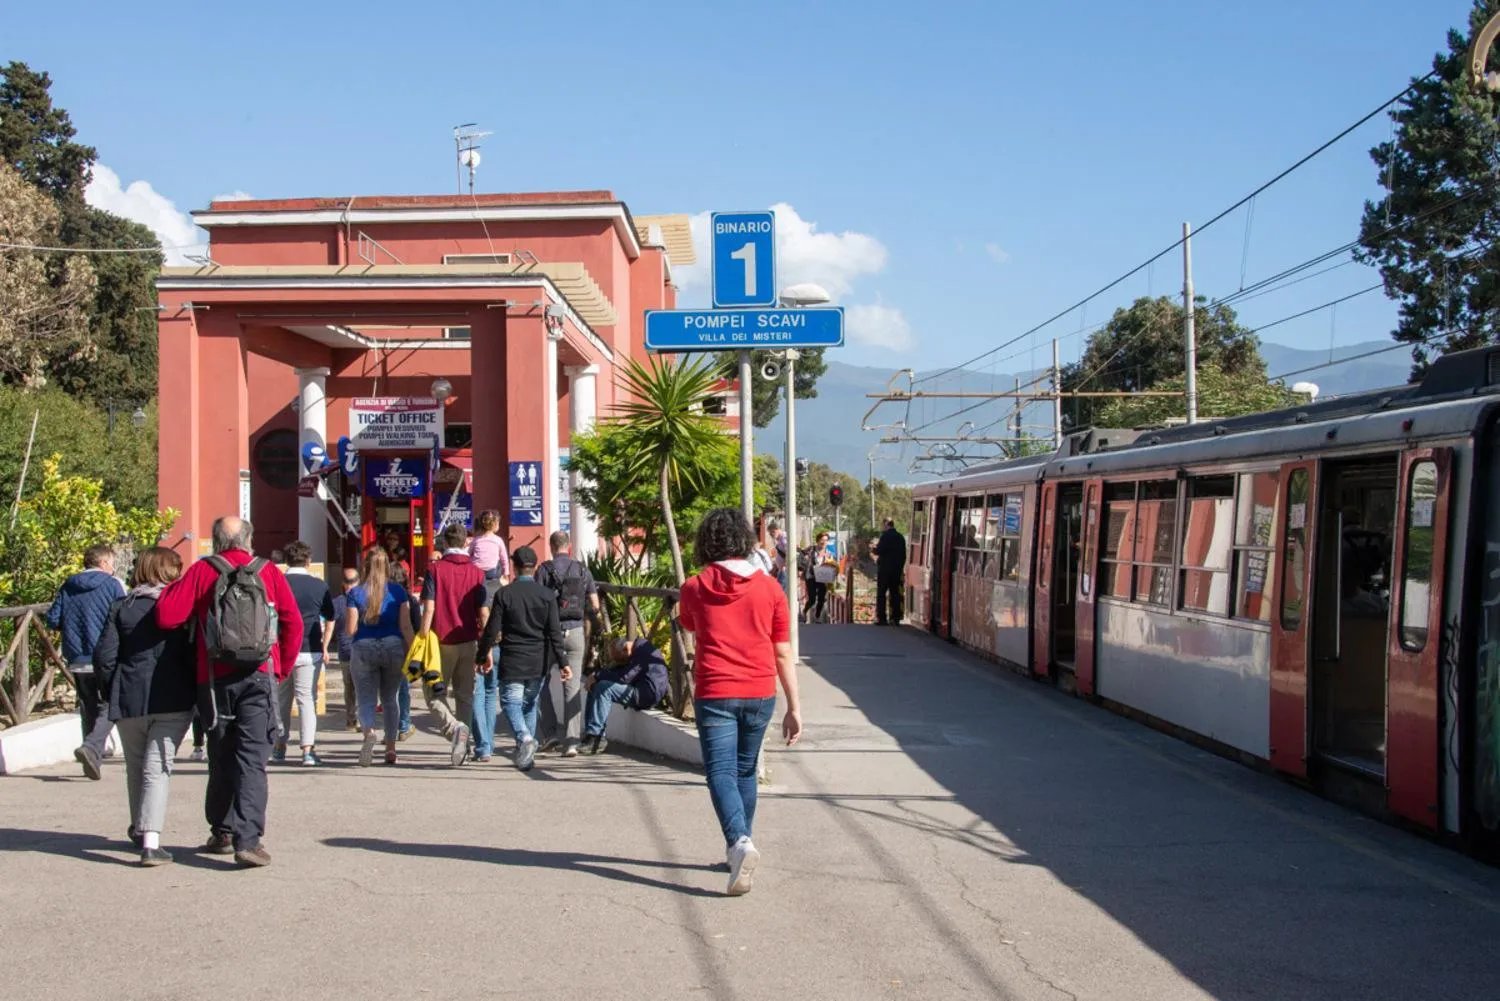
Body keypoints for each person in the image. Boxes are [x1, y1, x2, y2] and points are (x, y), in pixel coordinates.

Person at [156, 517, 302, 868]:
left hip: (214, 678)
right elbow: (293, 622)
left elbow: (166, 616)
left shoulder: (203, 570)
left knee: (221, 754)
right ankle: (248, 841)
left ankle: (222, 831)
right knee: (253, 759)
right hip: (260, 676)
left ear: (216, 541)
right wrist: (280, 668)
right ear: (249, 540)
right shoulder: (268, 571)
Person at [678, 508, 802, 896]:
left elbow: (689, 624)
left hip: (715, 691)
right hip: (760, 692)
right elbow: (782, 651)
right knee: (746, 771)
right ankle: (739, 846)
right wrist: (794, 707)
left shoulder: (694, 587)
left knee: (720, 772)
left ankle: (739, 843)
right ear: (745, 541)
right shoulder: (771, 589)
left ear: (706, 543)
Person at [92, 547, 193, 866]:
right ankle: (151, 842)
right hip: (174, 697)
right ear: (167, 571)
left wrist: (112, 690)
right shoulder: (180, 608)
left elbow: (105, 657)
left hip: (129, 696)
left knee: (136, 767)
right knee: (158, 768)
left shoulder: (122, 606)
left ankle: (139, 828)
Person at [477, 546, 569, 772]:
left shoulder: (505, 594)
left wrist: (481, 655)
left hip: (513, 658)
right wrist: (563, 662)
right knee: (529, 704)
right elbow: (554, 633)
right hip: (539, 659)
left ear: (515, 567)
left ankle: (525, 738)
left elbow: (492, 629)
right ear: (535, 567)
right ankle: (526, 756)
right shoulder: (547, 595)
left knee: (510, 703)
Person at [46, 543, 127, 780]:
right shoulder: (112, 585)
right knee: (113, 703)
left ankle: (91, 757)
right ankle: (92, 748)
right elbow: (124, 616)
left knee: (88, 705)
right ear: (103, 563)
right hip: (106, 656)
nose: (113, 568)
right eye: (111, 563)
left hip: (76, 656)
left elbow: (53, 619)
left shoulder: (68, 585)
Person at [419, 521, 487, 766]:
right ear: (465, 543)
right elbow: (483, 613)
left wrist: (422, 638)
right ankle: (464, 749)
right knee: (465, 696)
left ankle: (454, 729)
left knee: (433, 693)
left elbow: (429, 608)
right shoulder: (477, 572)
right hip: (469, 640)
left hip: (441, 641)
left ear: (445, 542)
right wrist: (486, 646)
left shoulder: (435, 570)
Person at [344, 548, 415, 767]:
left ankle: (369, 733)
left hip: (364, 646)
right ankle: (391, 749)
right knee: (390, 699)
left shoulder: (355, 593)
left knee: (366, 699)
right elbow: (405, 626)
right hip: (393, 645)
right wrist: (414, 652)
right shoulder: (398, 592)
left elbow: (351, 629)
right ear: (387, 567)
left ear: (365, 567)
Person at [535, 530, 600, 756]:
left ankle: (550, 732)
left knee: (540, 682)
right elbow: (595, 603)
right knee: (571, 686)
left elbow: (537, 602)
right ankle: (572, 742)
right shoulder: (582, 569)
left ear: (551, 547)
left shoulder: (544, 570)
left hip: (550, 634)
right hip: (575, 632)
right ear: (569, 546)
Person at [277, 541, 335, 766]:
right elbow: (330, 615)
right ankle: (307, 751)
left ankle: (279, 747)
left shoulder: (277, 582)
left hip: (281, 649)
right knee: (306, 699)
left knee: (281, 700)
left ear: (286, 561)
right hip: (309, 648)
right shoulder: (319, 586)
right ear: (308, 561)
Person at [580, 636, 669, 755]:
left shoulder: (642, 652)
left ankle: (597, 738)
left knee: (603, 688)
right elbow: (621, 671)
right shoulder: (638, 649)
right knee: (595, 685)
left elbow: (624, 677)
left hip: (645, 695)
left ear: (626, 650)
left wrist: (598, 675)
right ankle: (590, 734)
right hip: (642, 690)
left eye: (621, 659)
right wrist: (596, 676)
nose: (620, 662)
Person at [331, 566, 359, 730]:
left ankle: (351, 719)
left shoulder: (336, 602)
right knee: (362, 685)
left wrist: (324, 646)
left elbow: (329, 626)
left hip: (345, 650)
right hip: (362, 649)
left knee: (349, 687)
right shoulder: (366, 599)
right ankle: (362, 718)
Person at [872, 518, 908, 626]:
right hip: (897, 570)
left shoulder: (885, 536)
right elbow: (904, 555)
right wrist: (900, 567)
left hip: (884, 570)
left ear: (886, 524)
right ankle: (895, 618)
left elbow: (879, 550)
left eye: (883, 525)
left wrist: (873, 548)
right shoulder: (900, 537)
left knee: (881, 594)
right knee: (895, 594)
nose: (882, 527)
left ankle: (882, 618)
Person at [469, 509, 510, 582]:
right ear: (495, 525)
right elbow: (504, 559)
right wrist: (506, 574)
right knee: (498, 563)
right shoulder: (498, 540)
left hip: (476, 571)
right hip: (492, 572)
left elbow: (468, 554)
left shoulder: (476, 540)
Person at [802, 532, 834, 624]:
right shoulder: (811, 549)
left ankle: (817, 616)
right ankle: (805, 611)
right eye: (822, 540)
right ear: (818, 540)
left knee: (821, 599)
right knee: (812, 599)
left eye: (826, 540)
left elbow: (832, 565)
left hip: (822, 578)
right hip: (811, 577)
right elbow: (801, 555)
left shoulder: (828, 554)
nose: (824, 542)